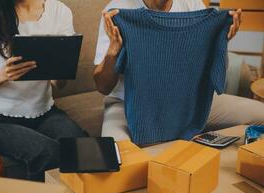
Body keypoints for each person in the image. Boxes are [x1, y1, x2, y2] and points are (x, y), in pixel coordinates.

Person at [94, 0, 264, 142]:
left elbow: (216, 76)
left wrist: (221, 41)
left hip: (190, 102)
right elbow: (103, 87)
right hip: (127, 106)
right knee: (117, 157)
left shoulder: (192, 4)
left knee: (260, 115)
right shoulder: (118, 12)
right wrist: (113, 51)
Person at [0, 0, 87, 181]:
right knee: (48, 153)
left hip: (45, 113)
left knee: (82, 146)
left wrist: (61, 69)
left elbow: (59, 84)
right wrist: (4, 74)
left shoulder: (59, 11)